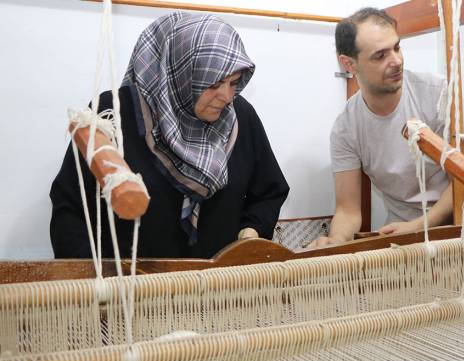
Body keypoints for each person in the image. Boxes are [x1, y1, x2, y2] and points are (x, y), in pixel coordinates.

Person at [50, 12, 289, 259]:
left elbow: (269, 192)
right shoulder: (113, 114)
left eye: (234, 82)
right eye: (213, 84)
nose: (227, 96)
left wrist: (250, 234)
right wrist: (94, 285)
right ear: (180, 73)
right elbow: (70, 209)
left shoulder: (239, 117)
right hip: (130, 291)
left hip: (220, 291)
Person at [308, 7, 464, 249]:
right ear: (349, 64)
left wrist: (419, 227)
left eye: (397, 47)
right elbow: (348, 211)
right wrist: (336, 241)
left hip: (455, 233)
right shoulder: (346, 128)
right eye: (380, 55)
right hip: (398, 240)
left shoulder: (439, 95)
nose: (396, 61)